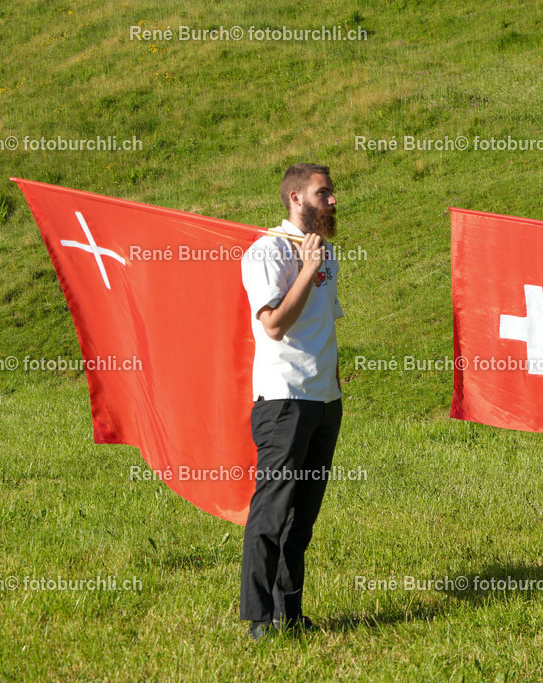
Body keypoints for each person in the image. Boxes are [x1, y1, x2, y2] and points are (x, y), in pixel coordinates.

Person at [239, 163, 344, 641]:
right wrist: (308, 268)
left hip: (324, 400)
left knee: (302, 517)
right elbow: (275, 325)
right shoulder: (266, 252)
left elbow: (326, 326)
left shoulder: (326, 253)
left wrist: (335, 386)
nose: (333, 201)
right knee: (272, 514)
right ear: (295, 199)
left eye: (332, 192)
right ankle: (259, 618)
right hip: (284, 400)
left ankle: (291, 614)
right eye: (324, 193)